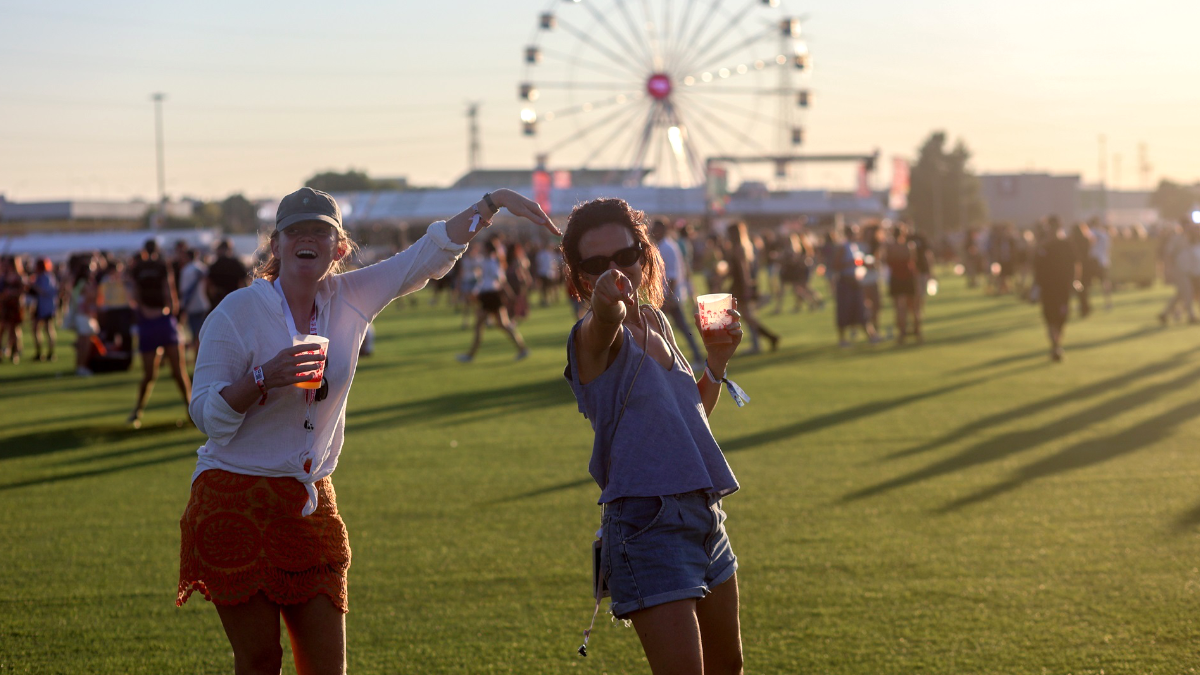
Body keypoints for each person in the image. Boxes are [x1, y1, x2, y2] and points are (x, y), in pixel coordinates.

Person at [178, 187, 556, 675]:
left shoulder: (351, 296)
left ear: (340, 248)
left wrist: (491, 203)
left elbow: (427, 254)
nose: (307, 239)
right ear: (276, 245)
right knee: (260, 660)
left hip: (311, 501)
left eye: (321, 231)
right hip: (234, 496)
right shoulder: (236, 313)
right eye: (297, 231)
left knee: (327, 666)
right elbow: (206, 415)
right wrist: (262, 379)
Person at [560, 197, 745, 675]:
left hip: (704, 515)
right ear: (580, 277)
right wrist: (605, 307)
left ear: (643, 255)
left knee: (730, 666)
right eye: (596, 266)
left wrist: (717, 363)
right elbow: (602, 324)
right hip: (647, 524)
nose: (613, 271)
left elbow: (691, 416)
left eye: (623, 257)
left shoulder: (657, 321)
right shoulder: (591, 337)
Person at [129, 238, 192, 428]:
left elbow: (134, 294)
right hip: (162, 320)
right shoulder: (161, 266)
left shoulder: (138, 267)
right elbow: (170, 293)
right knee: (178, 371)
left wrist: (144, 310)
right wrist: (169, 313)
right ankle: (191, 411)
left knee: (150, 374)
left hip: (148, 320)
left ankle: (137, 412)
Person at [456, 238, 529, 362]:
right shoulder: (488, 261)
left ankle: (470, 355)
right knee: (500, 325)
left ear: (487, 249)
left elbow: (500, 280)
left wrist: (510, 295)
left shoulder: (491, 262)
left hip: (491, 296)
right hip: (488, 296)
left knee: (486, 325)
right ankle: (522, 349)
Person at [651, 218, 705, 367]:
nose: (652, 232)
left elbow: (672, 275)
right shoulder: (664, 245)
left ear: (662, 229)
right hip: (667, 295)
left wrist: (668, 298)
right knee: (669, 328)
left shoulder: (667, 247)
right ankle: (691, 357)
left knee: (658, 328)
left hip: (669, 296)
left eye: (655, 229)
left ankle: (667, 361)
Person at [725, 222, 779, 354]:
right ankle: (760, 341)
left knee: (746, 316)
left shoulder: (738, 248)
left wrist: (745, 287)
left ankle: (765, 339)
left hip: (740, 286)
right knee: (746, 316)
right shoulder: (746, 246)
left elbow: (743, 270)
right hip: (741, 285)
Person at [1034, 216, 1080, 362]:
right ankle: (1055, 345)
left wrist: (1075, 280)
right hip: (1047, 287)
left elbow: (1075, 263)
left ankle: (1057, 342)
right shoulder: (1043, 245)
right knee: (1049, 317)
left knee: (1061, 318)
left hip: (1062, 287)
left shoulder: (1066, 244)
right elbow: (1036, 266)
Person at [883, 224, 921, 344]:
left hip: (896, 278)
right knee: (913, 307)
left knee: (899, 307)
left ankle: (902, 333)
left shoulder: (890, 247)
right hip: (908, 277)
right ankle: (917, 332)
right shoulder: (909, 246)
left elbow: (886, 261)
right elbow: (913, 261)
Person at [178, 247, 211, 361]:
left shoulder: (185, 270)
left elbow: (183, 291)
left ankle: (198, 360)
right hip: (203, 304)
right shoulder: (202, 268)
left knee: (195, 335)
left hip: (191, 306)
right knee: (203, 335)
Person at [205, 239, 249, 310]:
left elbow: (208, 285)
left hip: (219, 302)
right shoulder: (236, 263)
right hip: (234, 299)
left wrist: (211, 299)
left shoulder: (215, 265)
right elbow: (243, 283)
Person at [29, 258, 58, 361]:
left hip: (46, 306)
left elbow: (46, 291)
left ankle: (49, 353)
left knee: (47, 329)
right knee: (38, 329)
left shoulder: (45, 277)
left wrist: (34, 286)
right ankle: (40, 352)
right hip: (42, 306)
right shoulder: (43, 276)